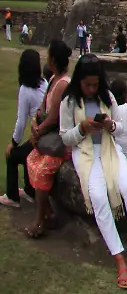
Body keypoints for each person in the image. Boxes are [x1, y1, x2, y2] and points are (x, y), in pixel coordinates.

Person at [59, 54, 127, 288]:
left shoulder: (107, 96)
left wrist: (110, 125)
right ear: (79, 81)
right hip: (85, 153)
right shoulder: (69, 101)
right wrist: (82, 128)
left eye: (95, 84)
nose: (92, 89)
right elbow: (65, 138)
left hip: (110, 148)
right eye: (88, 85)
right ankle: (119, 259)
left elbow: (120, 128)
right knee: (98, 197)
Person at [22, 39, 74, 238]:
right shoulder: (53, 80)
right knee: (31, 159)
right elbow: (43, 109)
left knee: (43, 170)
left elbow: (54, 118)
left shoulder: (63, 84)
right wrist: (36, 123)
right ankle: (48, 212)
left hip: (60, 142)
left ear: (53, 59)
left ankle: (39, 220)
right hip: (49, 136)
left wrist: (37, 132)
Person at [3, 49, 47, 208]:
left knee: (13, 156)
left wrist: (13, 143)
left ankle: (12, 196)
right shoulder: (44, 83)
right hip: (45, 134)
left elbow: (21, 122)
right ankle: (29, 191)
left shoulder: (25, 90)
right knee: (27, 151)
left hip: (41, 137)